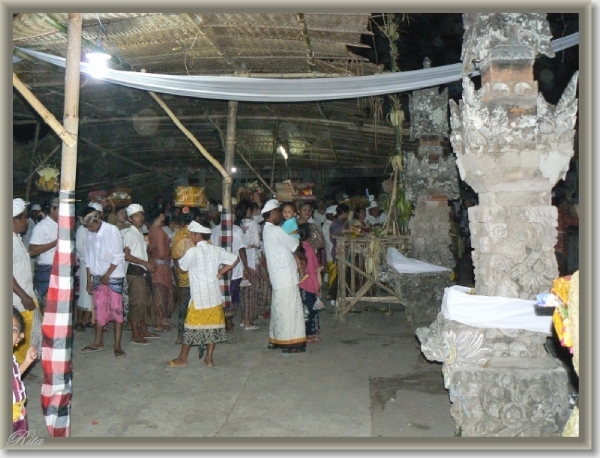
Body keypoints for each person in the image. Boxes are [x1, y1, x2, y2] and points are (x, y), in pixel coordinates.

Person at [166, 221, 239, 368]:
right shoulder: (215, 250)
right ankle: (209, 359)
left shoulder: (193, 251)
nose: (190, 237)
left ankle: (182, 359)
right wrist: (221, 272)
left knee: (191, 327)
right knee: (213, 327)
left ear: (197, 235)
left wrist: (186, 249)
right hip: (214, 296)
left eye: (191, 234)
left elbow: (182, 269)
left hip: (199, 297)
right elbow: (234, 259)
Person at [78, 206, 127, 359]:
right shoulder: (88, 233)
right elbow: (87, 257)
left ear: (98, 220)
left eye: (91, 225)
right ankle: (98, 342)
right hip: (98, 275)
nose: (89, 229)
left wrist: (107, 275)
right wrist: (89, 279)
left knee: (117, 310)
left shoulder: (112, 231)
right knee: (99, 310)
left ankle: (117, 345)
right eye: (87, 227)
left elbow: (118, 256)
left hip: (113, 275)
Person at [261, 199, 307, 353]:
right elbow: (294, 245)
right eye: (278, 212)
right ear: (273, 213)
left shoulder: (266, 230)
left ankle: (277, 338)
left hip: (277, 275)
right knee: (290, 309)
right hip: (285, 274)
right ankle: (293, 342)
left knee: (279, 307)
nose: (280, 215)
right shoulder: (276, 230)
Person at [121, 204, 159, 345]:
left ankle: (143, 330)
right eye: (137, 215)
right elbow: (126, 255)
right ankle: (135, 334)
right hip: (135, 272)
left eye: (141, 214)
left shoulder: (139, 231)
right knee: (136, 303)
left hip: (141, 272)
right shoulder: (129, 233)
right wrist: (145, 263)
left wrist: (148, 261)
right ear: (130, 219)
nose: (140, 218)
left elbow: (139, 252)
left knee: (144, 302)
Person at [13, 198, 42, 364]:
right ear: (16, 219)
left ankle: (20, 366)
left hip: (25, 295)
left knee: (27, 335)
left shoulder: (16, 237)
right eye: (24, 218)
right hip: (17, 301)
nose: (26, 222)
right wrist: (24, 296)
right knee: (17, 335)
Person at [211, 206, 249, 332]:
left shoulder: (215, 230)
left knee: (222, 295)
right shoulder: (237, 230)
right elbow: (242, 249)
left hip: (220, 269)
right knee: (232, 295)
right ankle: (228, 321)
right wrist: (246, 266)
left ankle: (223, 320)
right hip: (234, 268)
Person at [74, 203, 104, 332]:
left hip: (94, 264)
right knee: (84, 294)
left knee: (93, 294)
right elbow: (80, 248)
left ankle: (89, 320)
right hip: (85, 263)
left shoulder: (94, 229)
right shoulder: (82, 229)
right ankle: (79, 321)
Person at [29, 196, 59, 312]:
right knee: (47, 304)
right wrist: (55, 242)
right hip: (47, 268)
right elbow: (32, 251)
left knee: (57, 304)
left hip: (61, 268)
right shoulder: (42, 226)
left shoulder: (63, 226)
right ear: (52, 209)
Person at [148, 209, 175, 331]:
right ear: (161, 215)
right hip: (161, 266)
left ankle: (162, 319)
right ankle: (159, 322)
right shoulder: (159, 231)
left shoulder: (152, 229)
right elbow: (163, 253)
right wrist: (172, 249)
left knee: (162, 292)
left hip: (158, 264)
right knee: (160, 292)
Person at [12, 307, 38, 437]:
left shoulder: (11, 358)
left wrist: (27, 361)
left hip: (18, 412)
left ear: (19, 338)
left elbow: (14, 376)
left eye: (13, 330)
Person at [171, 210, 194, 344]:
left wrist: (178, 272)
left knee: (184, 307)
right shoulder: (200, 234)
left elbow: (175, 256)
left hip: (184, 275)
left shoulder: (178, 234)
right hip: (197, 277)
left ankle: (181, 336)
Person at [297, 223, 322, 343]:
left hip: (301, 284)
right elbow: (312, 271)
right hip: (309, 284)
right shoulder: (309, 250)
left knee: (304, 309)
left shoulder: (298, 248)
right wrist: (317, 286)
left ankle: (306, 333)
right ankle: (308, 335)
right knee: (310, 310)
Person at [240, 200, 262, 330]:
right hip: (252, 261)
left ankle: (243, 318)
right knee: (252, 292)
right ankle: (248, 320)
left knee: (244, 292)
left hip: (241, 263)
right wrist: (251, 244)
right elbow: (258, 243)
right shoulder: (252, 223)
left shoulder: (238, 224)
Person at [327, 203, 350, 302]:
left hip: (341, 251)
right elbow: (335, 237)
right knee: (342, 273)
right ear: (344, 213)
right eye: (347, 213)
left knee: (342, 273)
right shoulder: (336, 224)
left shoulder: (339, 223)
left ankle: (337, 293)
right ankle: (332, 294)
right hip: (339, 251)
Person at [553, 195, 579, 277]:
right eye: (564, 203)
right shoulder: (562, 214)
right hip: (561, 243)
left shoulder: (555, 213)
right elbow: (575, 221)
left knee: (559, 265)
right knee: (562, 265)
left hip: (556, 243)